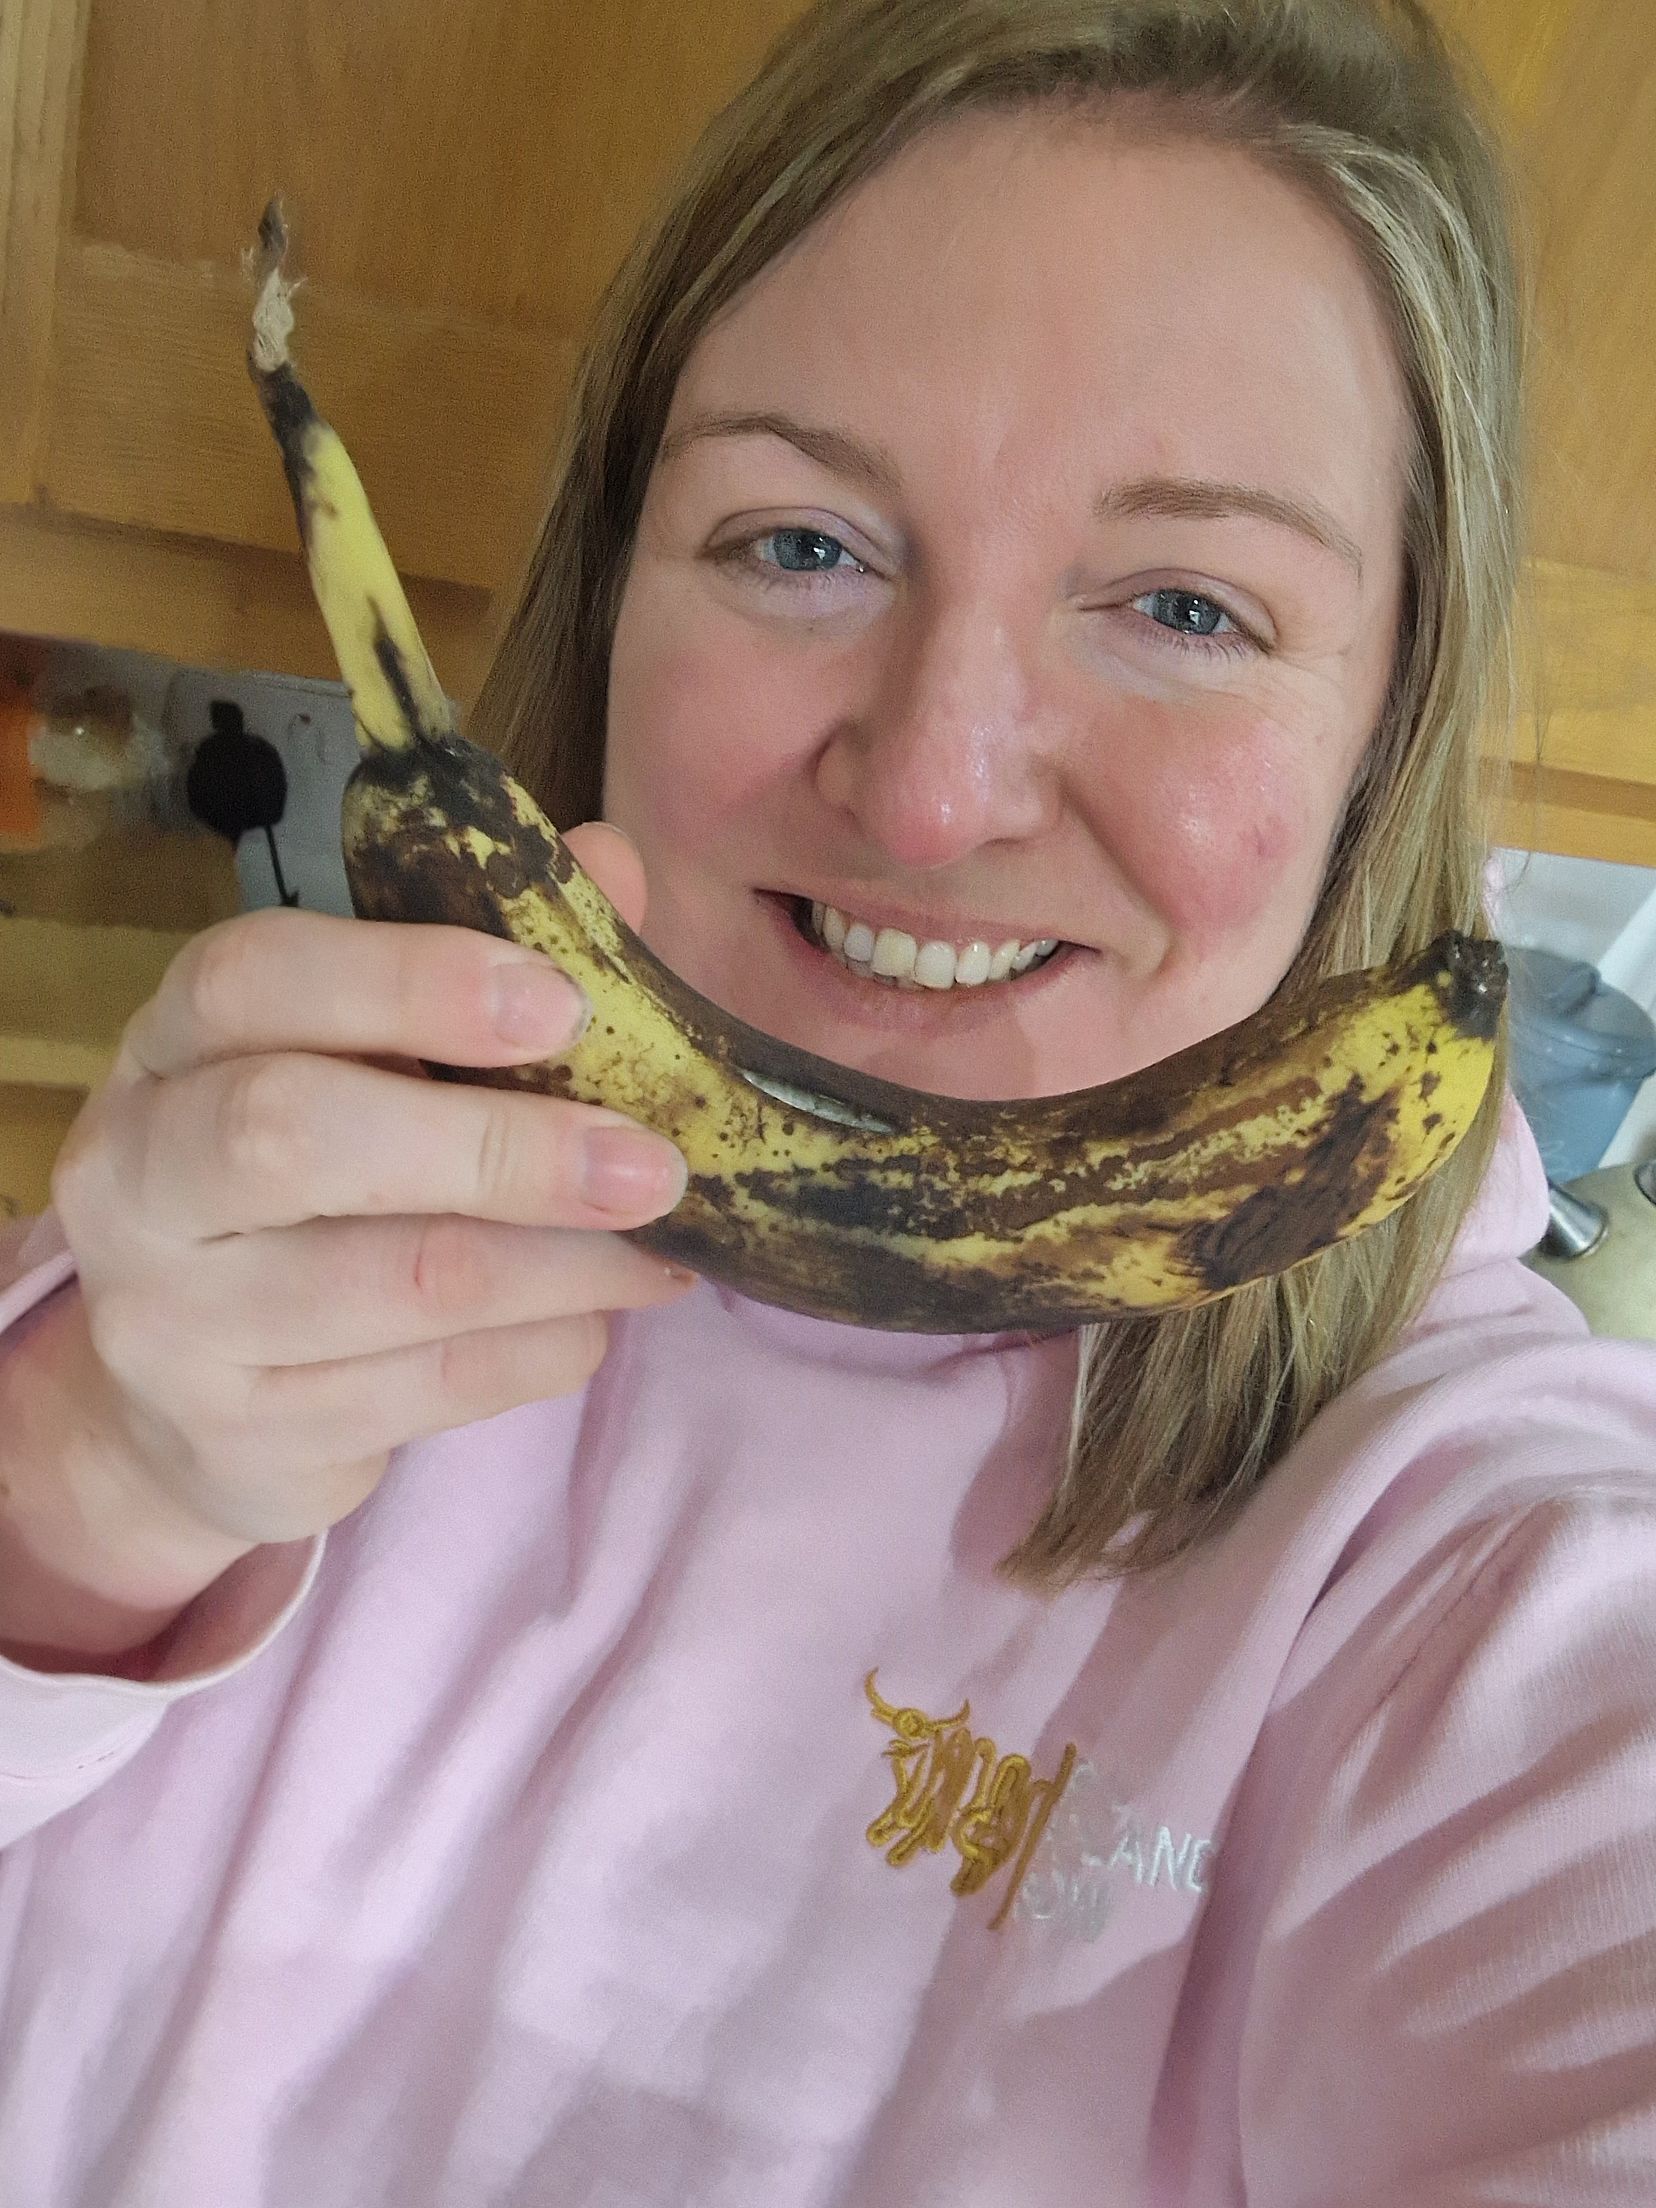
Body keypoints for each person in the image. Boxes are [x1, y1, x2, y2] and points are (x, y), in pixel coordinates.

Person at [2, 0, 1653, 2199]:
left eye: (1184, 604)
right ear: (621, 586)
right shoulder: (258, 1193)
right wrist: (84, 1495)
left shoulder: (1461, 1566)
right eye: (803, 546)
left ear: (1383, 724)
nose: (936, 788)